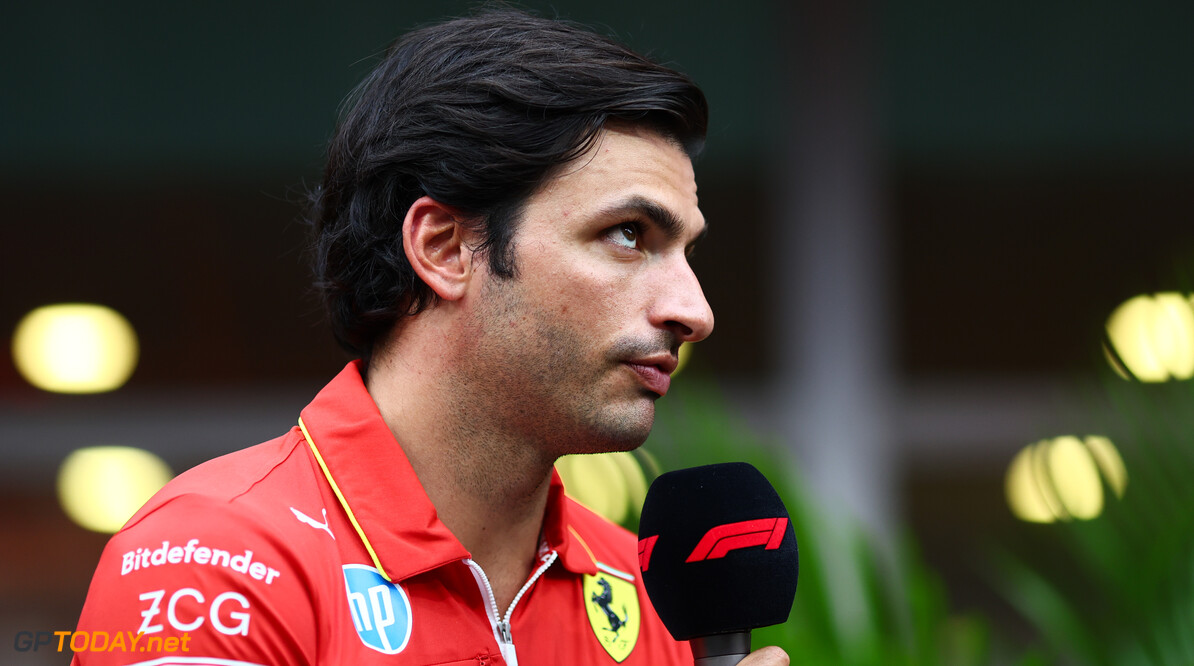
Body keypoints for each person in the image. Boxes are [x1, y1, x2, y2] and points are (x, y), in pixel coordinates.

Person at [72, 9, 789, 666]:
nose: (695, 311)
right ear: (446, 249)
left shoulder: (642, 593)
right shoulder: (210, 562)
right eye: (629, 236)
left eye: (685, 250)